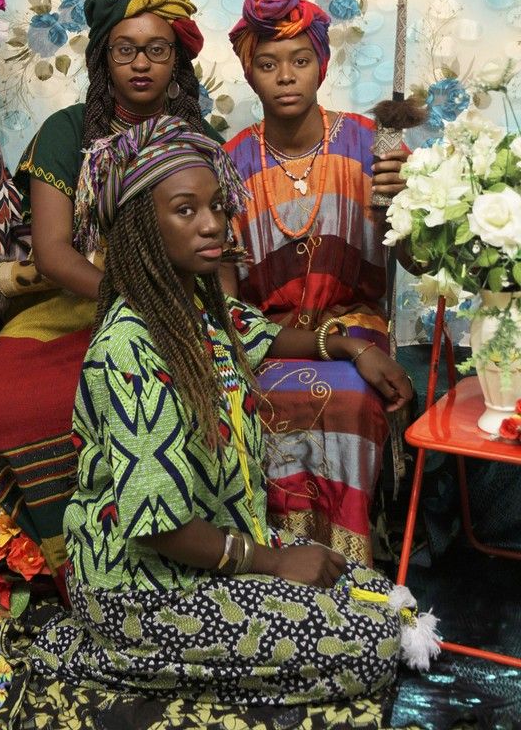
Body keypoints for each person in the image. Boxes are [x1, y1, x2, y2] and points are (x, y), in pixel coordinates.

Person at [26, 114, 435, 705]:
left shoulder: (196, 306)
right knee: (368, 644)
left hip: (210, 556)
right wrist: (271, 561)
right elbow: (160, 529)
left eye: (217, 206)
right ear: (143, 226)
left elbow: (257, 332)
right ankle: (104, 652)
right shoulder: (129, 348)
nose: (213, 224)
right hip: (144, 589)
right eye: (186, 210)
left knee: (373, 593)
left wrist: (346, 344)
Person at [0, 0, 220, 579]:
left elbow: (219, 254)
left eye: (157, 49)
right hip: (78, 303)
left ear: (178, 59)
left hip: (178, 311)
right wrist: (131, 297)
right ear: (103, 58)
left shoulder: (202, 139)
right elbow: (53, 255)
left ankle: (164, 561)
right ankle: (69, 570)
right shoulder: (68, 131)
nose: (140, 63)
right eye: (124, 48)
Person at [222, 0, 411, 565]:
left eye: (300, 60)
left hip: (355, 324)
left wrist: (404, 209)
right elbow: (227, 313)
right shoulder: (228, 164)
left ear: (321, 66)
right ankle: (279, 563)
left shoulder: (370, 146)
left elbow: (420, 263)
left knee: (351, 400)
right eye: (268, 63)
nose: (285, 76)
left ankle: (353, 568)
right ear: (250, 73)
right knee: (253, 404)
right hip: (268, 338)